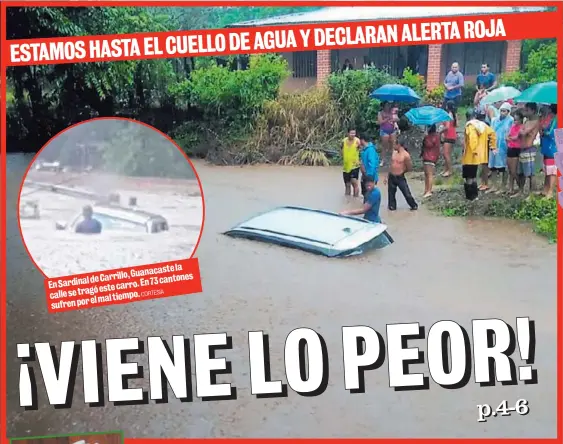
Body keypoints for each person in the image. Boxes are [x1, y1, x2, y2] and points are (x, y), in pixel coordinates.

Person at [462, 110, 497, 201]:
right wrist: (493, 146)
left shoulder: (470, 125)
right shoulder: (483, 125)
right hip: (480, 156)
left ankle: (470, 197)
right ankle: (475, 196)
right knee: (473, 175)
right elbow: (492, 133)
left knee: (468, 177)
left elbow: (472, 138)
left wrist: (474, 150)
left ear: (467, 117)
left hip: (470, 156)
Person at [384, 135, 418, 211]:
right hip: (391, 176)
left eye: (395, 144)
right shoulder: (394, 153)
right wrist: (387, 177)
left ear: (399, 145)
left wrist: (402, 172)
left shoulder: (406, 155)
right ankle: (392, 208)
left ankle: (414, 205)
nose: (393, 146)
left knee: (407, 193)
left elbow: (409, 167)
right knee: (391, 195)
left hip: (400, 177)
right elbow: (391, 165)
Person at [488, 102, 514, 193]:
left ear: (508, 112)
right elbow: (491, 131)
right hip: (494, 145)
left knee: (503, 166)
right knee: (493, 166)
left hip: (504, 146)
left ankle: (503, 186)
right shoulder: (494, 120)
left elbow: (511, 132)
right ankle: (494, 185)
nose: (502, 112)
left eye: (504, 111)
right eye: (501, 110)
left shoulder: (511, 120)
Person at [517, 102, 541, 195]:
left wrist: (522, 130)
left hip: (530, 148)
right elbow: (521, 132)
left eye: (527, 110)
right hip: (522, 148)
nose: (525, 112)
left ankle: (532, 193)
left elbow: (523, 132)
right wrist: (522, 130)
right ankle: (521, 190)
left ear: (533, 111)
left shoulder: (535, 121)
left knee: (531, 174)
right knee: (521, 172)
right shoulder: (526, 121)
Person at [539, 104, 557, 198]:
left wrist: (543, 131)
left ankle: (550, 191)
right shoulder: (551, 119)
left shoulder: (556, 120)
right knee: (547, 169)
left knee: (552, 170)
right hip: (547, 147)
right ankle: (545, 189)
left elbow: (551, 133)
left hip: (552, 148)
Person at [506, 109, 525, 195]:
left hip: (516, 149)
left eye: (516, 120)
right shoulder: (513, 126)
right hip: (510, 148)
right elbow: (508, 136)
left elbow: (516, 137)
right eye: (514, 120)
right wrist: (509, 138)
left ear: (521, 120)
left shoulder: (522, 127)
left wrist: (509, 138)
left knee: (514, 171)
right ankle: (511, 188)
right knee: (510, 170)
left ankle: (520, 186)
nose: (515, 121)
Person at [421, 124, 441, 198]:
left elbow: (428, 144)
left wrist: (425, 137)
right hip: (428, 156)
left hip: (430, 157)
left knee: (429, 174)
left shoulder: (432, 136)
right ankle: (426, 190)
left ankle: (429, 191)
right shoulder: (436, 136)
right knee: (426, 174)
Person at [342, 128, 361, 197]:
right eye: (351, 133)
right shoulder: (343, 141)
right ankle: (348, 200)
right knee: (347, 185)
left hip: (354, 166)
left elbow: (361, 150)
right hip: (346, 166)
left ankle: (356, 199)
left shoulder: (357, 141)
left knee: (354, 183)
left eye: (354, 133)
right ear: (348, 134)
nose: (353, 135)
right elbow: (341, 151)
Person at [378, 101, 399, 166]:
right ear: (383, 106)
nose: (388, 106)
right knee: (384, 146)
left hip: (392, 130)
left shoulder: (392, 112)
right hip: (384, 130)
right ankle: (383, 160)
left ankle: (393, 160)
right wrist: (387, 119)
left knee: (393, 145)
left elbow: (397, 119)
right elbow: (380, 122)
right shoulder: (380, 113)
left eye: (389, 105)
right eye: (386, 105)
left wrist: (394, 119)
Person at [441, 101, 457, 177]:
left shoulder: (448, 115)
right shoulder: (454, 115)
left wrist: (440, 131)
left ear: (447, 106)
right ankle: (446, 169)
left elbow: (447, 127)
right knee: (447, 154)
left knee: (446, 154)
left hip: (448, 136)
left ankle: (449, 170)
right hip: (452, 135)